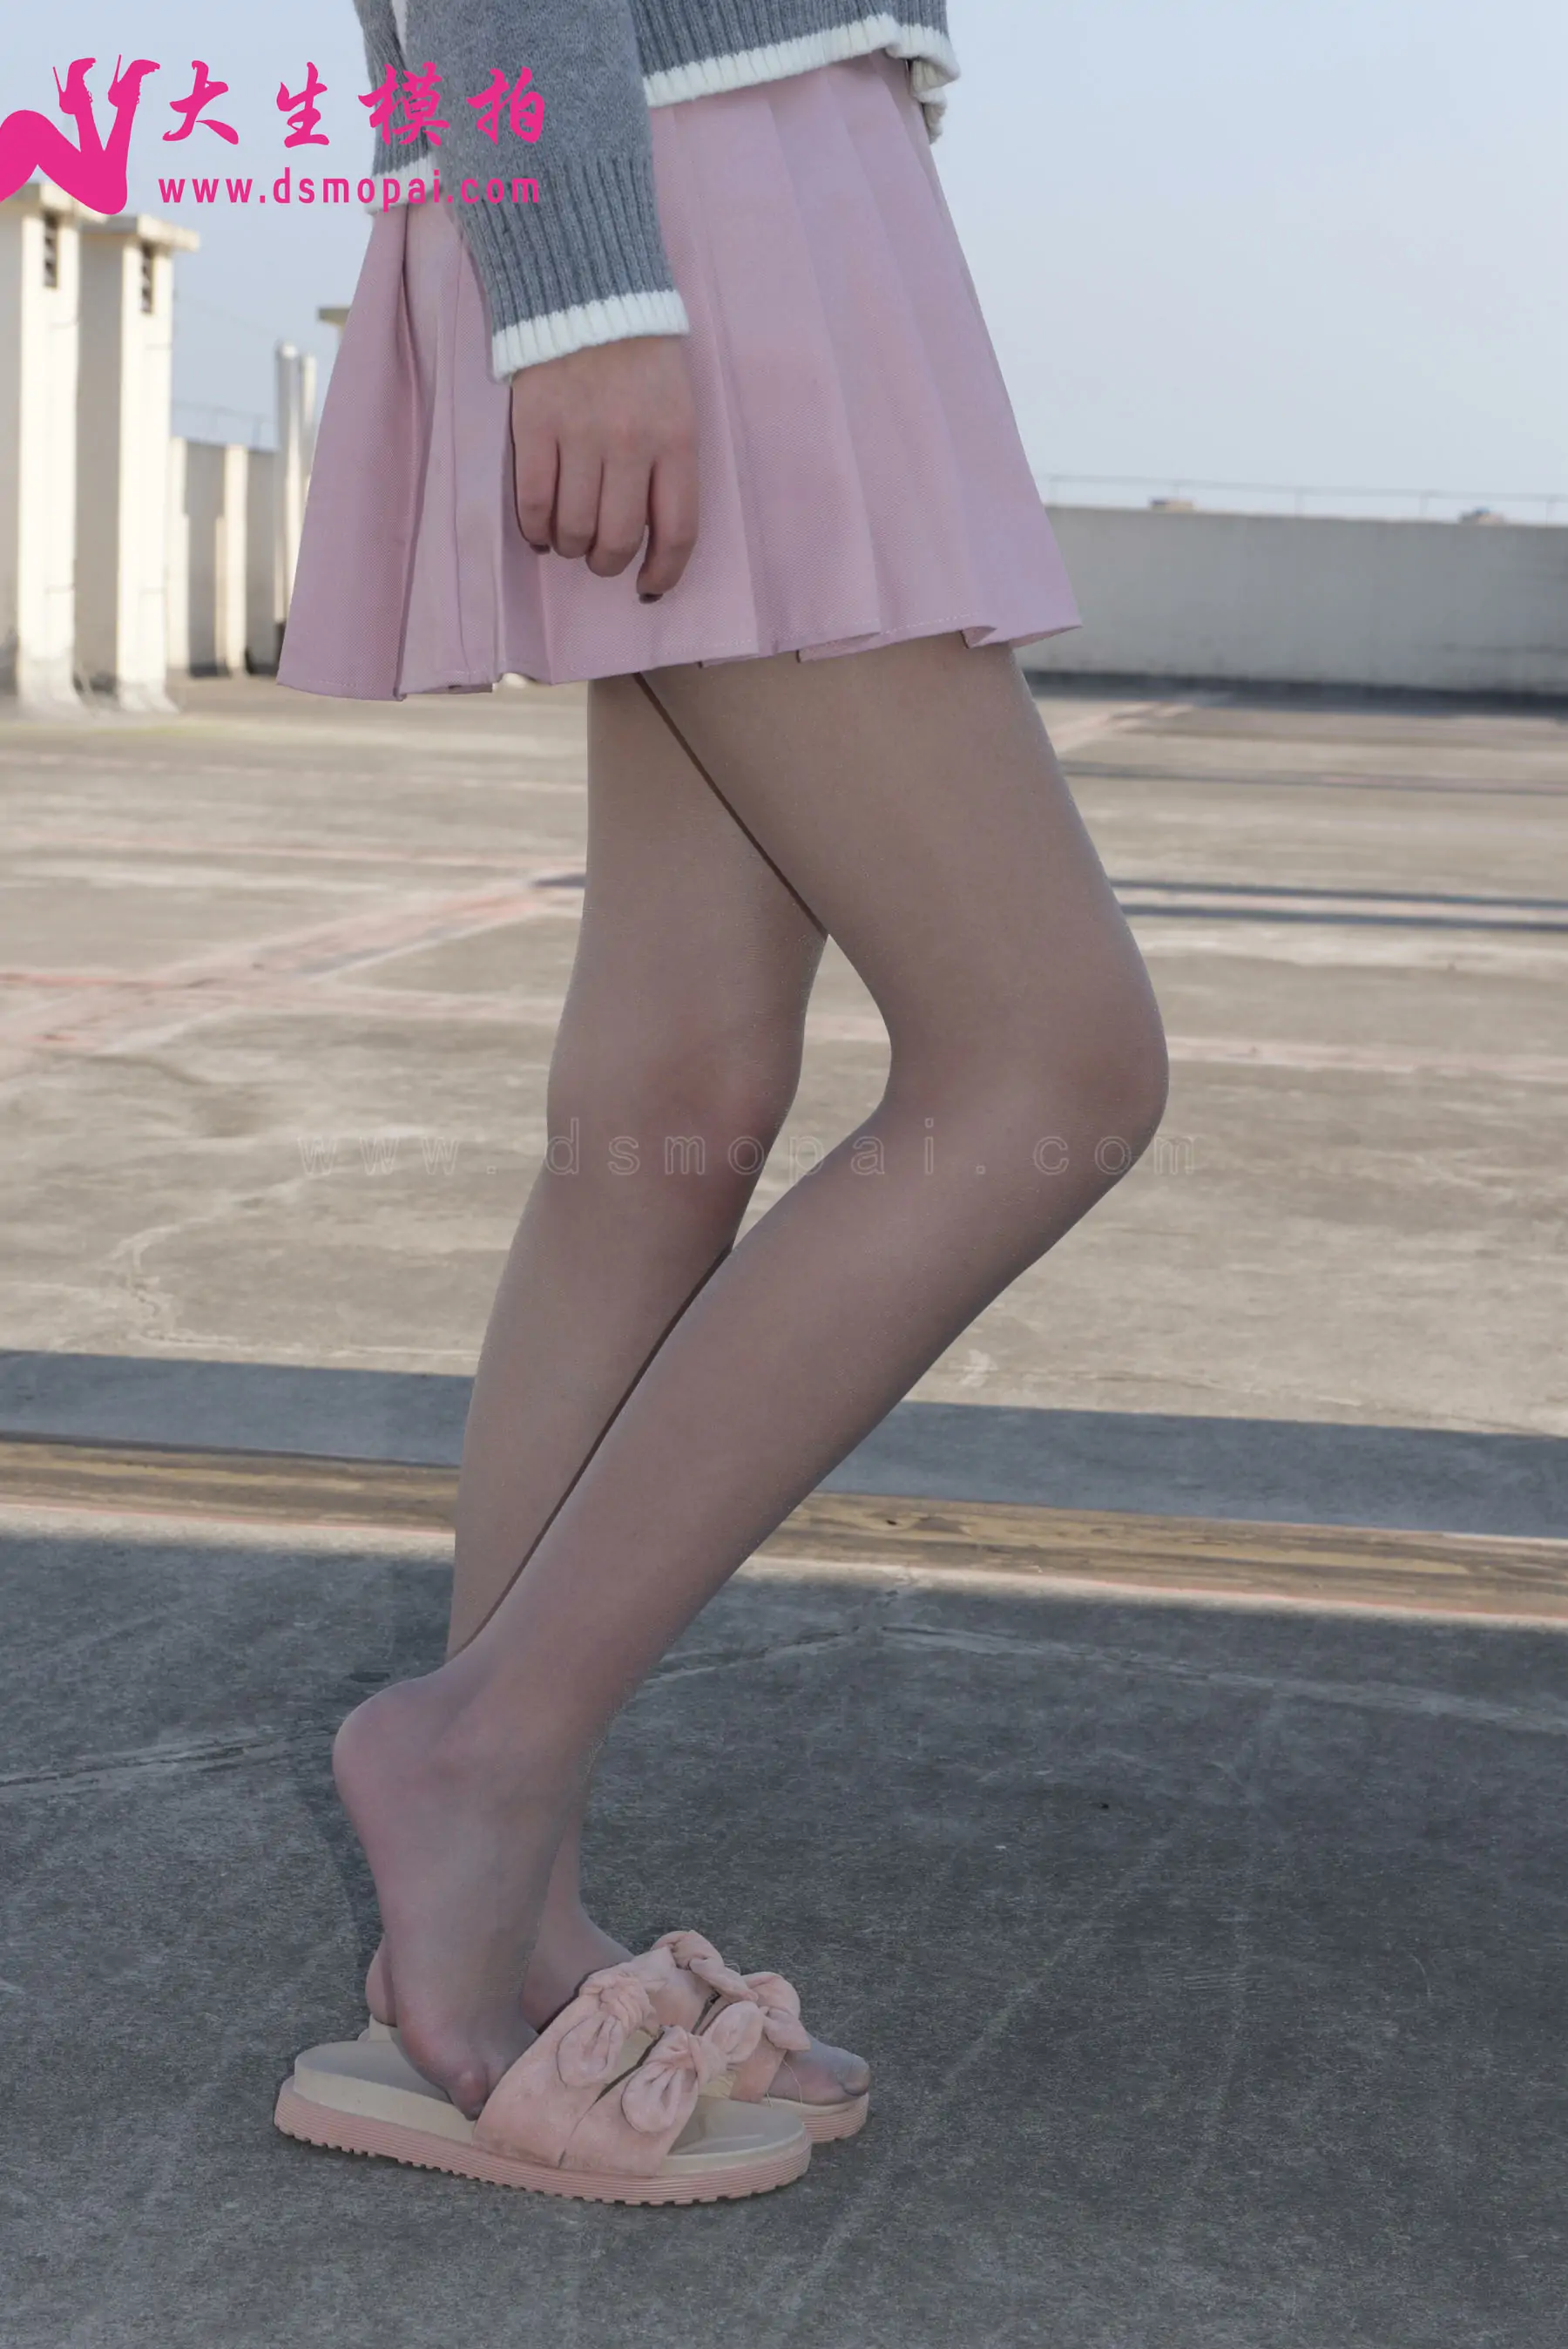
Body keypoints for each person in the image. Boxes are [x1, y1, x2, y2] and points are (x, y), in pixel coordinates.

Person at [272, 0, 1168, 2202]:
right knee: (1050, 1058)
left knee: (674, 1088)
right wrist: (588, 281)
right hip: (679, 179)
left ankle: (498, 1907)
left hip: (744, 165)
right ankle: (477, 1758)